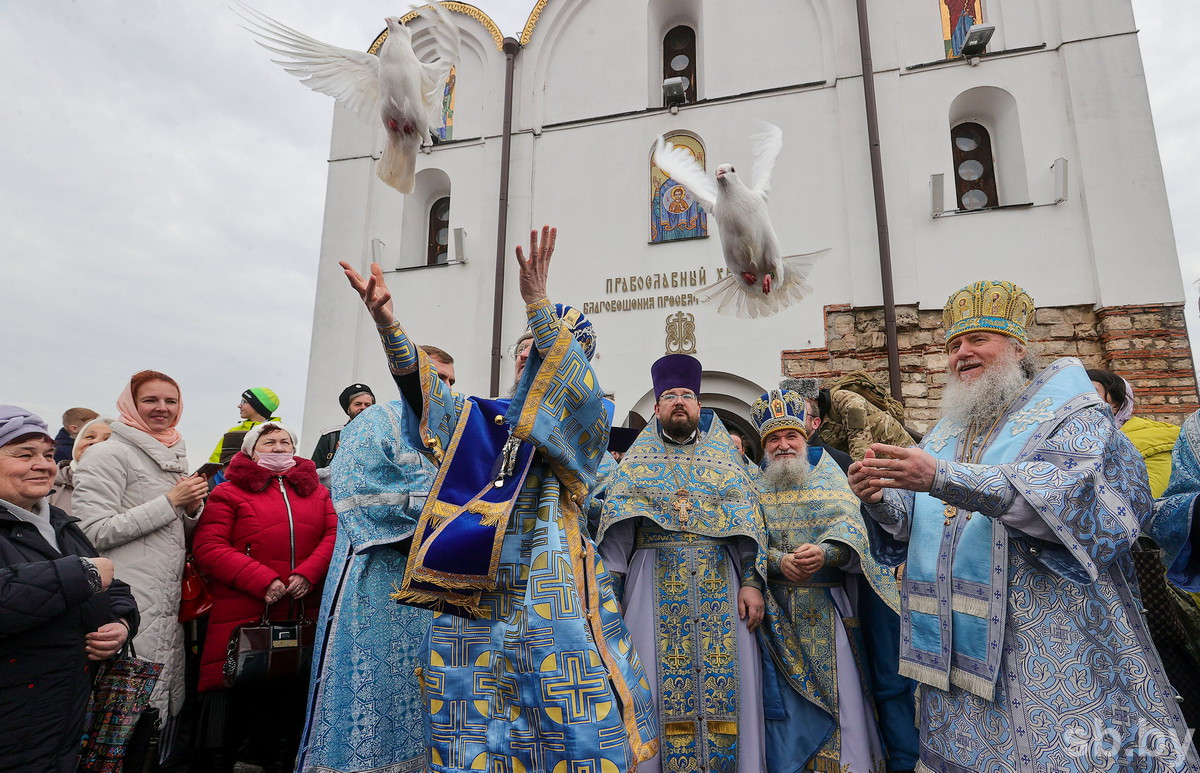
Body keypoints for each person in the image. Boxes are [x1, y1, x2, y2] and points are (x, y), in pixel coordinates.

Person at [339, 226, 658, 771]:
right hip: (474, 590)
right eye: (526, 353)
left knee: (564, 716)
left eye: (549, 356)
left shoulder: (586, 425)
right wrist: (389, 327)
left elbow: (573, 403)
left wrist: (537, 303)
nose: (530, 362)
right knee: (472, 717)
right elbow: (431, 404)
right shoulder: (482, 420)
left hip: (550, 585)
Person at [847, 280, 1198, 770]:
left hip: (1044, 635)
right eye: (952, 346)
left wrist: (941, 476)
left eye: (977, 341)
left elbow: (1059, 501)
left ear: (1017, 347)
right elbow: (924, 525)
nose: (961, 354)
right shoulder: (948, 429)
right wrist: (883, 501)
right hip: (952, 652)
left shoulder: (1071, 411)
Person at [598, 353, 768, 773]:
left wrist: (751, 582)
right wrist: (610, 606)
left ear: (699, 406)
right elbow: (617, 538)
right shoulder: (635, 464)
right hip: (649, 584)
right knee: (653, 689)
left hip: (721, 584)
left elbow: (747, 524)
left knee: (732, 691)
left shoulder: (727, 462)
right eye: (670, 396)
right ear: (656, 408)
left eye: (687, 396)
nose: (679, 402)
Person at [750, 387, 901, 772]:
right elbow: (744, 541)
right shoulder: (750, 487)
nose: (783, 445)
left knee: (842, 697)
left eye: (790, 436)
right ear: (764, 445)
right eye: (774, 439)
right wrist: (778, 561)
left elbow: (854, 530)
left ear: (806, 435)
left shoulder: (831, 476)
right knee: (784, 703)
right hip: (774, 617)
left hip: (827, 608)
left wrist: (826, 552)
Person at [297, 383, 444, 773]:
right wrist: (423, 538)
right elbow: (357, 487)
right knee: (370, 688)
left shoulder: (450, 432)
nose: (441, 385)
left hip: (435, 583)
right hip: (377, 573)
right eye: (433, 374)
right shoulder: (377, 419)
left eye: (449, 378)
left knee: (422, 687)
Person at [73, 370, 209, 759]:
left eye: (171, 401)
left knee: (156, 708)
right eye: (151, 400)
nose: (162, 409)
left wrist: (192, 510)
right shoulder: (108, 453)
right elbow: (91, 532)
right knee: (119, 715)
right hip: (125, 598)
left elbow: (169, 529)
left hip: (164, 601)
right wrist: (170, 502)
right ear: (131, 405)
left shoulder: (170, 454)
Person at [0, 406, 138, 773]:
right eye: (24, 455)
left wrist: (122, 624)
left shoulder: (58, 522)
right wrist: (79, 574)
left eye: (47, 454)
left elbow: (114, 585)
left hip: (62, 710)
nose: (44, 464)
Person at [193, 422, 336, 773]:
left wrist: (309, 572)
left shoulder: (317, 492)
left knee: (291, 701)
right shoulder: (229, 492)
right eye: (268, 441)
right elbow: (208, 547)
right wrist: (263, 581)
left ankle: (280, 762)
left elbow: (333, 533)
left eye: (284, 441)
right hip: (245, 613)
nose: (277, 447)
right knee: (239, 700)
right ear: (251, 451)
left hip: (302, 611)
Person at [1088, 367, 1180, 497]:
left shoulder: (1155, 439)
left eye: (1090, 392)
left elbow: (1147, 501)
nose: (1080, 400)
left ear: (1115, 405)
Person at [812, 373, 915, 461]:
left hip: (901, 455)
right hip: (879, 465)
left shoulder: (847, 401)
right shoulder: (810, 420)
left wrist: (858, 477)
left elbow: (861, 449)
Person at [49, 416, 111, 515]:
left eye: (108, 439)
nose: (95, 442)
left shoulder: (133, 488)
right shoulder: (47, 485)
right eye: (90, 436)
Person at [208, 387, 282, 465]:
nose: (239, 405)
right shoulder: (233, 432)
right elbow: (215, 460)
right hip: (228, 477)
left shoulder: (279, 432)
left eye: (244, 402)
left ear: (257, 406)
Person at [310, 383, 376, 470]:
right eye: (358, 404)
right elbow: (314, 472)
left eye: (367, 405)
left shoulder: (380, 437)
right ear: (348, 408)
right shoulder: (331, 437)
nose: (363, 408)